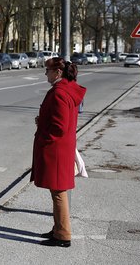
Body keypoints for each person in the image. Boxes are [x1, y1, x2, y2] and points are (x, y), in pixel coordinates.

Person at [32, 57, 86, 248]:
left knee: (58, 192)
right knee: (57, 191)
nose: (45, 73)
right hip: (62, 147)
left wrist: (43, 127)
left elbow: (59, 126)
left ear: (58, 72)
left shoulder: (59, 93)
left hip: (56, 149)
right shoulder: (68, 89)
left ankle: (63, 235)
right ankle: (58, 228)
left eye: (47, 70)